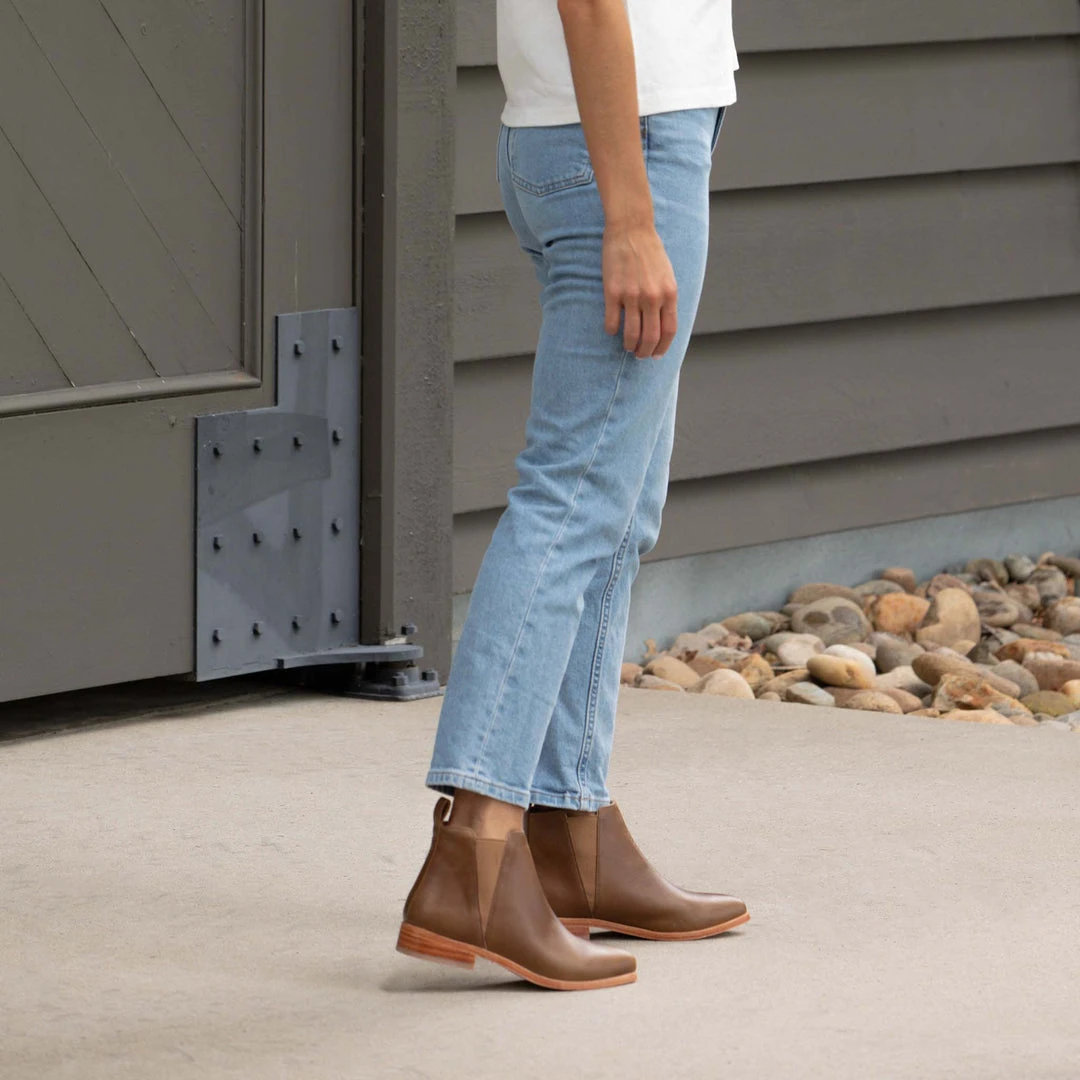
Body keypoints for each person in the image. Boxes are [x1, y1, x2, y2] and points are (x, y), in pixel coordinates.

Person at [396, 0, 747, 990]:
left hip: (616, 128)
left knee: (617, 508)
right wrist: (631, 216)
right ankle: (475, 849)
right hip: (623, 142)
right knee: (572, 502)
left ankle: (569, 833)